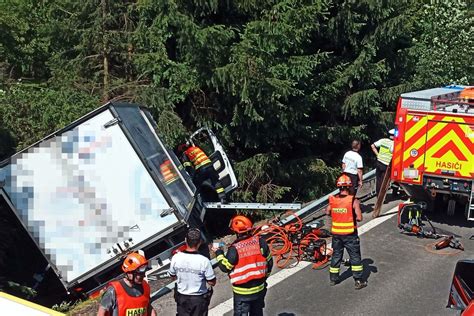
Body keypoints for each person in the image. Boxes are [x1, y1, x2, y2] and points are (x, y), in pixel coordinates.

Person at [212, 215, 273, 316]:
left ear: (235, 231)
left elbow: (225, 267)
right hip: (259, 289)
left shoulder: (235, 249)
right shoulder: (260, 242)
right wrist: (263, 279)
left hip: (242, 293)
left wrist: (219, 253)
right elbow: (269, 263)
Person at [326, 174, 367, 290]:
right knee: (355, 257)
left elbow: (327, 212)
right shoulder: (353, 201)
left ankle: (333, 279)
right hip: (350, 235)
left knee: (336, 255)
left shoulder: (333, 199)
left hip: (336, 235)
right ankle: (358, 280)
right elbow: (359, 218)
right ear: (349, 187)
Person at [168, 228, 216, 316]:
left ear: (185, 240)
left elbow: (172, 276)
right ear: (200, 242)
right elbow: (212, 282)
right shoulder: (204, 261)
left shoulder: (176, 258)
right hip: (199, 300)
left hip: (182, 298)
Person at [97, 251, 157, 316]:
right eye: (140, 274)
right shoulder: (113, 291)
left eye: (144, 273)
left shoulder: (145, 286)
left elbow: (148, 306)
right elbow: (101, 313)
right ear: (129, 273)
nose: (144, 276)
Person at [371, 129, 395, 196]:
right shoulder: (394, 143)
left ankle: (378, 195)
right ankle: (381, 196)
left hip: (379, 162)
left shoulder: (383, 140)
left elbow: (372, 146)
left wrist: (377, 155)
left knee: (378, 180)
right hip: (386, 164)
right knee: (384, 182)